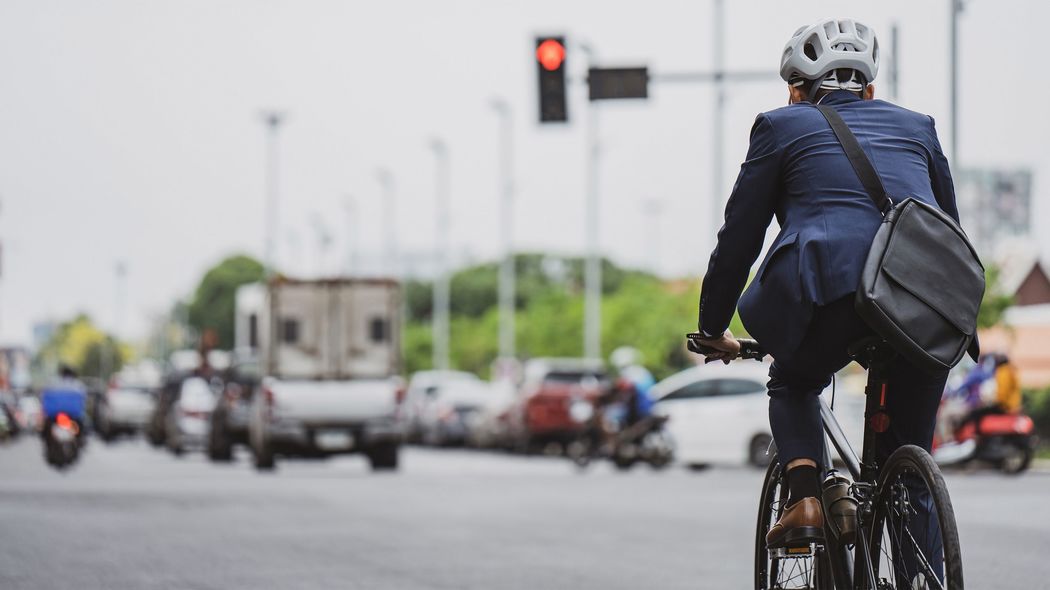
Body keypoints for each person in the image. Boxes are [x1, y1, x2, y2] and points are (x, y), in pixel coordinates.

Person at [693, 17, 975, 558]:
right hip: (926, 303)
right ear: (869, 89)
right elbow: (948, 231)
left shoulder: (781, 127)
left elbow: (739, 240)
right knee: (909, 466)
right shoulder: (919, 127)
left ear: (797, 89)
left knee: (794, 381)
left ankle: (804, 498)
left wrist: (712, 328)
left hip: (829, 291)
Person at [609, 346, 655, 428]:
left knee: (612, 415)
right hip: (648, 407)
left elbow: (624, 387)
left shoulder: (630, 373)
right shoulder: (641, 371)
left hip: (638, 408)